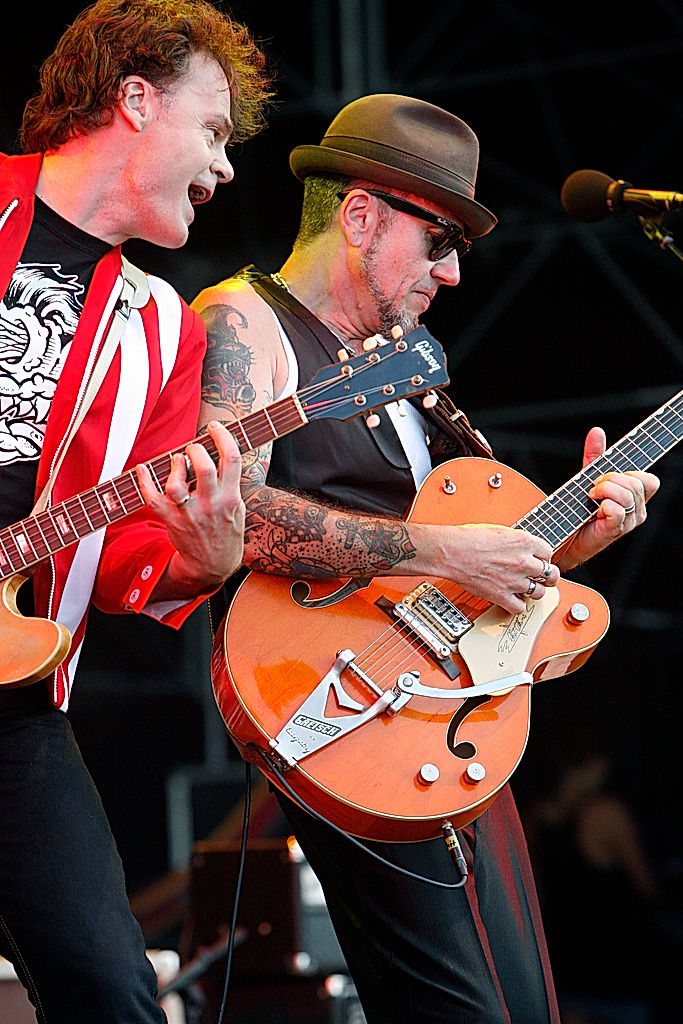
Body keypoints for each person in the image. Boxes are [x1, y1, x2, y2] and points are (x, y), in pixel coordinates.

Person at [192, 94, 659, 1024]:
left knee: (525, 1010)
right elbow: (230, 514)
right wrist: (438, 547)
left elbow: (465, 574)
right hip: (332, 704)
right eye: (438, 239)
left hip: (450, 713)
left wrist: (581, 534)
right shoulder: (245, 322)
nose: (450, 275)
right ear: (360, 215)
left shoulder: (410, 364)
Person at [0, 2, 272, 1022]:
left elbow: (122, 568)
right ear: (136, 100)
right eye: (213, 130)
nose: (226, 166)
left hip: (14, 690)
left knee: (114, 989)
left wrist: (201, 561)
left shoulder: (165, 328)